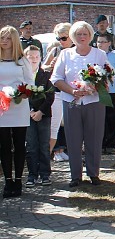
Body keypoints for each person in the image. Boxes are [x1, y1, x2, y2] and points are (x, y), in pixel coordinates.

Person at [50, 21, 109, 187]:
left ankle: (93, 173)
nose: (82, 37)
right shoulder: (65, 54)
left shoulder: (99, 54)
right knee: (73, 139)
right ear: (72, 37)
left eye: (85, 34)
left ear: (90, 36)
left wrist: (96, 85)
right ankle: (75, 175)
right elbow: (56, 78)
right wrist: (72, 91)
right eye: (78, 34)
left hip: (94, 101)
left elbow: (107, 76)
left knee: (94, 137)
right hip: (71, 101)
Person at [0, 26, 34, 198]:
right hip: (2, 108)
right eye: (2, 38)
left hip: (19, 106)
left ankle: (19, 180)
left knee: (20, 145)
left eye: (7, 38)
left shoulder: (22, 60)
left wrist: (21, 92)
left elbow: (30, 82)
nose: (4, 41)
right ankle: (8, 181)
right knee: (4, 146)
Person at [24, 45, 55, 188]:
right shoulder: (22, 76)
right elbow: (21, 95)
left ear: (41, 58)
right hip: (27, 115)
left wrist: (40, 112)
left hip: (44, 115)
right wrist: (30, 111)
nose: (34, 59)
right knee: (31, 146)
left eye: (37, 57)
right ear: (25, 58)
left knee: (43, 145)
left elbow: (50, 96)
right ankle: (32, 175)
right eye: (31, 57)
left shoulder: (46, 75)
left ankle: (45, 174)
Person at [43, 23, 74, 161]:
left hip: (74, 91)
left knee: (71, 124)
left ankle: (69, 151)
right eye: (58, 38)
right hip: (57, 92)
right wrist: (50, 66)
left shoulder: (78, 50)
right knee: (55, 125)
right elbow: (43, 66)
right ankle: (48, 156)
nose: (61, 41)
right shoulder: (56, 50)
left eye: (64, 38)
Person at [97, 33, 115, 154]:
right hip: (98, 91)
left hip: (112, 91)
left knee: (111, 117)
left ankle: (110, 144)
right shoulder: (95, 55)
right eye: (98, 42)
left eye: (103, 42)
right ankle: (100, 143)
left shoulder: (114, 56)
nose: (100, 44)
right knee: (100, 118)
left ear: (109, 43)